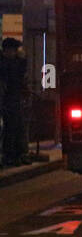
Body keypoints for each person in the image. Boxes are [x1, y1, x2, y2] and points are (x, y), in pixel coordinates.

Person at [1, 37, 29, 167]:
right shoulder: (5, 64)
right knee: (11, 128)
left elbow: (21, 74)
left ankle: (17, 154)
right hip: (8, 101)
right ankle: (11, 155)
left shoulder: (14, 63)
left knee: (18, 127)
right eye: (14, 50)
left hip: (14, 99)